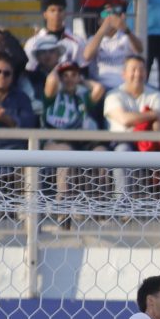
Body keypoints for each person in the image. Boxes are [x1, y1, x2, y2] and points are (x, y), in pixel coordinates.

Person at [41, 60, 107, 222]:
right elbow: (50, 82)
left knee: (102, 154)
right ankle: (63, 209)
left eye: (73, 75)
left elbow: (99, 89)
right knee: (67, 155)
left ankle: (98, 208)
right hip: (55, 141)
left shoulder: (82, 97)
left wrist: (82, 81)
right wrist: (57, 69)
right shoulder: (53, 96)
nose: (69, 79)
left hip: (79, 142)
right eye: (65, 76)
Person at [103, 54, 160, 198]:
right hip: (122, 142)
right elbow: (125, 119)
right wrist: (153, 115)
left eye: (141, 70)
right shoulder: (113, 95)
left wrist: (149, 119)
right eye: (133, 70)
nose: (137, 74)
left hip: (150, 143)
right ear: (124, 74)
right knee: (122, 153)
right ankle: (123, 204)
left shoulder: (156, 95)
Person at [83, 0, 143, 92]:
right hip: (101, 86)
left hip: (124, 86)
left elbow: (139, 50)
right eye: (105, 14)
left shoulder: (126, 37)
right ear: (99, 21)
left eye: (113, 13)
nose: (110, 17)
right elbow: (87, 56)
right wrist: (104, 28)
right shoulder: (93, 39)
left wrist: (126, 29)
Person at [22, 0, 87, 73]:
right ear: (45, 14)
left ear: (65, 14)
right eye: (52, 10)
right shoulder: (33, 42)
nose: (57, 14)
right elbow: (29, 69)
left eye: (60, 10)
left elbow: (83, 68)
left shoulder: (77, 41)